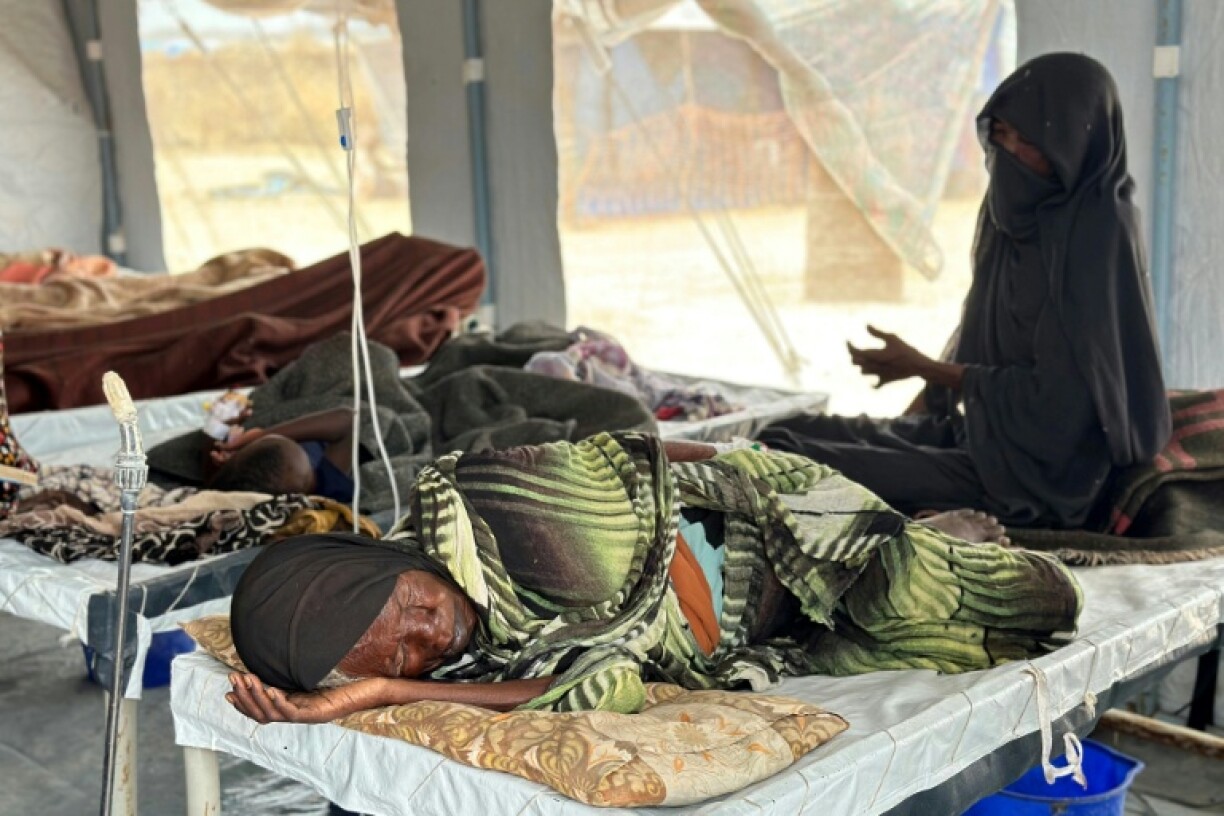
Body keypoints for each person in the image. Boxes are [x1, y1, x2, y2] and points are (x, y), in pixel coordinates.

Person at [225, 432, 1082, 723]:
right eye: (403, 659)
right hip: (761, 631)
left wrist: (806, 494)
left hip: (758, 525)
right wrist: (382, 697)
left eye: (409, 608)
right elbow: (599, 683)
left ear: (385, 561)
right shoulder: (459, 663)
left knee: (1043, 599)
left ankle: (909, 529)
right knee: (951, 643)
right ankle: (917, 533)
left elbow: (644, 458)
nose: (431, 637)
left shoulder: (496, 500)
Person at [756, 53, 1171, 529]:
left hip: (1041, 475)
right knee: (780, 434)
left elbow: (1062, 403)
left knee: (789, 465)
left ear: (1074, 144)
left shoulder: (1097, 233)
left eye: (1026, 141)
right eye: (1000, 134)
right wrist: (915, 413)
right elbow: (975, 329)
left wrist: (925, 368)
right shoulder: (1010, 213)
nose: (1008, 153)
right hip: (981, 433)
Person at [204, 407, 359, 502]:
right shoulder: (328, 489)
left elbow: (210, 446)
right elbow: (347, 419)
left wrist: (229, 437)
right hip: (322, 425)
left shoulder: (229, 481)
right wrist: (255, 438)